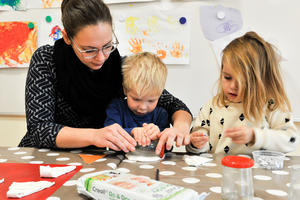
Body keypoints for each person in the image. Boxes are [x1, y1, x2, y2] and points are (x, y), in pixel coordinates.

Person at [19, 0, 192, 154]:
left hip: (98, 159)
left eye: (108, 46)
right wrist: (94, 135)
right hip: (45, 158)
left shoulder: (122, 67)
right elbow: (39, 130)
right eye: (89, 50)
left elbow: (174, 105)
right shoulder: (46, 60)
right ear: (67, 38)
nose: (101, 57)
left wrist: (179, 128)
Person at [186, 31, 299, 155]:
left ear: (260, 80)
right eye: (227, 77)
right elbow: (199, 138)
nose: (233, 86)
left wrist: (255, 136)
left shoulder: (271, 105)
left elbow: (291, 140)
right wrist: (197, 143)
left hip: (255, 173)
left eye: (243, 81)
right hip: (219, 172)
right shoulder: (213, 105)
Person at [104, 52, 169, 151]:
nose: (142, 107)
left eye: (151, 101)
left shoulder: (161, 114)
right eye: (136, 99)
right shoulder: (116, 108)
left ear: (159, 95)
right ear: (125, 90)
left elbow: (168, 147)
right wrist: (132, 131)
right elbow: (108, 135)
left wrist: (159, 135)